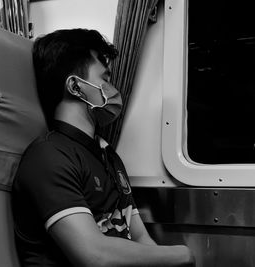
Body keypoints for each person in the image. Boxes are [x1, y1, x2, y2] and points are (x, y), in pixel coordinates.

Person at [12, 28, 195, 267]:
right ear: (75, 87)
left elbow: (139, 237)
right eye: (105, 80)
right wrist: (182, 255)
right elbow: (95, 255)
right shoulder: (48, 157)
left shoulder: (107, 155)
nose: (112, 90)